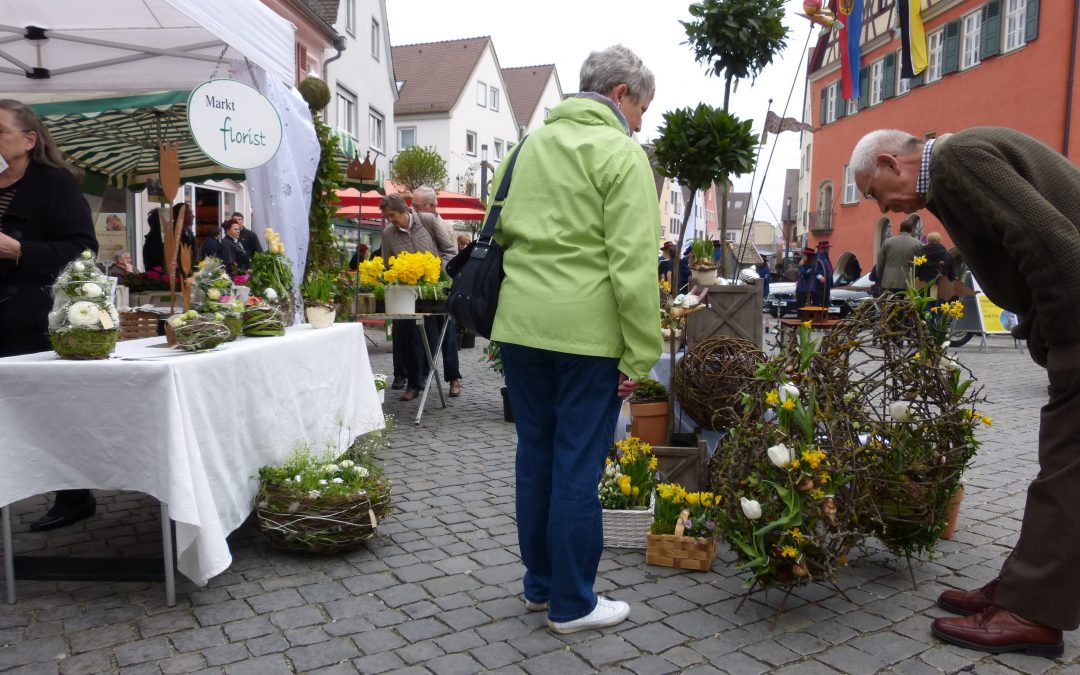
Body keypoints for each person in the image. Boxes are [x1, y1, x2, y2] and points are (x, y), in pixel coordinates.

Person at [851, 126, 1080, 657]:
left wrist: (1064, 342)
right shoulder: (953, 170)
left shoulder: (957, 161)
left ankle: (1033, 612)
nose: (876, 205)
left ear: (891, 163)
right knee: (1063, 467)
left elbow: (1051, 243)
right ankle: (1027, 587)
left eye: (871, 190)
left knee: (1067, 469)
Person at [491, 45, 661, 634]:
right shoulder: (621, 153)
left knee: (534, 456)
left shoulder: (525, 149)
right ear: (619, 94)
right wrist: (642, 352)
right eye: (640, 108)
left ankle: (540, 587)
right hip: (587, 335)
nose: (639, 122)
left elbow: (501, 233)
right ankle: (573, 603)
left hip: (520, 326)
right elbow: (634, 266)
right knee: (577, 466)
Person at [0, 98, 99, 531]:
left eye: (0, 130)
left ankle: (74, 495)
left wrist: (19, 250)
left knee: (47, 411)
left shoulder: (54, 184)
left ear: (29, 139)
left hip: (32, 317)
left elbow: (83, 252)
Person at [379, 194, 448, 401]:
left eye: (392, 215)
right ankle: (413, 383)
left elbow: (448, 249)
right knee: (408, 337)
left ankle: (425, 375)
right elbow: (386, 263)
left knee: (430, 335)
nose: (390, 219)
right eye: (387, 216)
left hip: (431, 292)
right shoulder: (388, 234)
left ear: (403, 210)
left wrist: (440, 274)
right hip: (405, 292)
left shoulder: (427, 221)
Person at [412, 185, 463, 397]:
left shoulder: (443, 225)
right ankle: (419, 378)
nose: (412, 209)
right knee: (421, 331)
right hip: (421, 287)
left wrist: (435, 273)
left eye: (417, 205)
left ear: (432, 206)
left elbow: (451, 256)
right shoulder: (416, 223)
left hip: (442, 286)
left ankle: (454, 378)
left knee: (447, 332)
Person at [874, 214, 922, 294]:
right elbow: (918, 265)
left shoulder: (888, 242)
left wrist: (880, 277)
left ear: (900, 228)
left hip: (888, 281)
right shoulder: (918, 244)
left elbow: (880, 262)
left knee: (888, 305)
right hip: (908, 282)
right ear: (912, 230)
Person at [814, 240, 834, 306]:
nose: (828, 249)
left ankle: (825, 316)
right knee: (818, 305)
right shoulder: (816, 257)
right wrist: (820, 277)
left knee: (825, 305)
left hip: (826, 285)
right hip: (819, 286)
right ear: (823, 248)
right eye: (827, 248)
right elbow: (814, 269)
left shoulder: (826, 256)